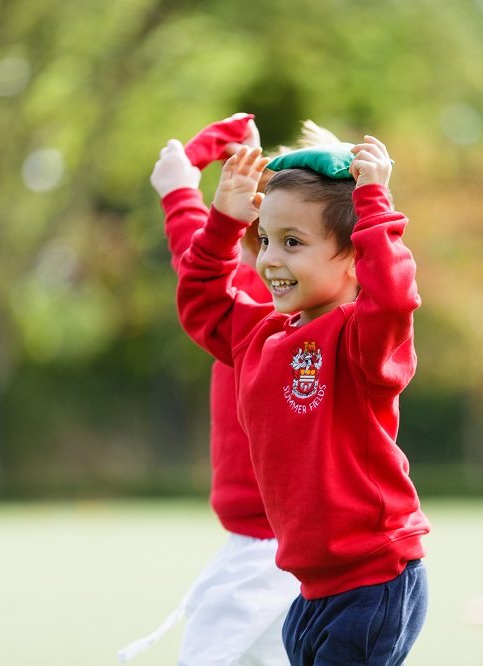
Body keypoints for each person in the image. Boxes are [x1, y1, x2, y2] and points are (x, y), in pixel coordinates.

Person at [175, 134, 430, 665]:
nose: (270, 258)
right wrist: (222, 221)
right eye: (265, 239)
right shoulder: (257, 335)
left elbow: (393, 297)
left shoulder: (361, 337)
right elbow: (202, 302)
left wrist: (375, 203)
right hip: (310, 588)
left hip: (372, 580)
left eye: (293, 242)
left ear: (355, 256)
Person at [118, 114, 300, 665]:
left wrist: (180, 189)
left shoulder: (272, 309)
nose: (269, 255)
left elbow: (197, 268)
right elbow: (201, 264)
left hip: (267, 552)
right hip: (281, 548)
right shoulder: (289, 302)